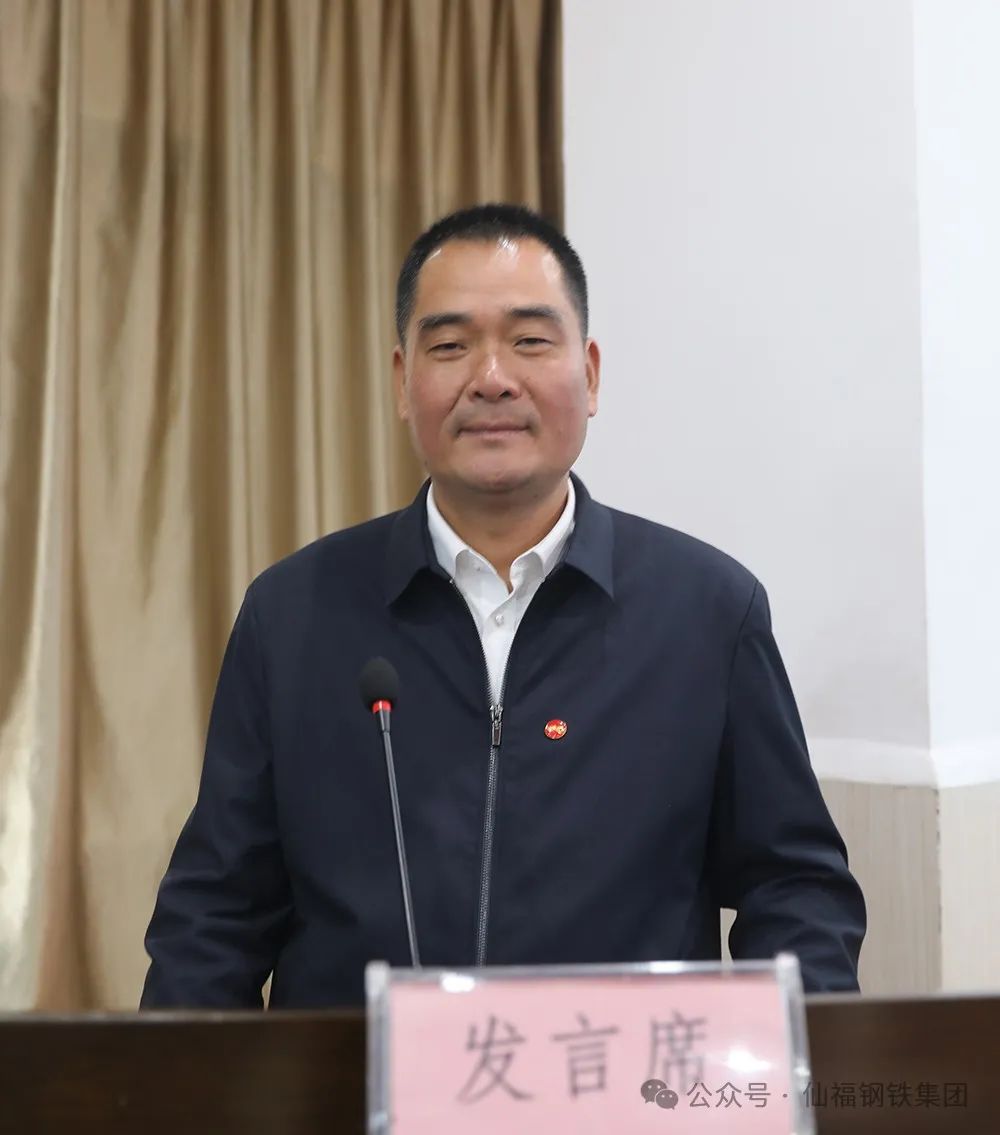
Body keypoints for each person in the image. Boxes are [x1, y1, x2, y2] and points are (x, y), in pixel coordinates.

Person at [141, 203, 865, 1008]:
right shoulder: (292, 615)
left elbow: (794, 889)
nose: (491, 377)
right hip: (355, 1079)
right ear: (402, 381)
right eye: (450, 346)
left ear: (590, 374)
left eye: (530, 340)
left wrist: (786, 1058)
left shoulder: (708, 613)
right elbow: (214, 919)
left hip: (613, 1078)